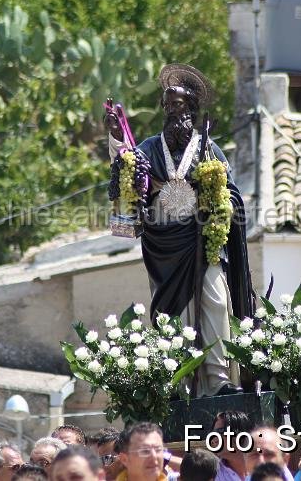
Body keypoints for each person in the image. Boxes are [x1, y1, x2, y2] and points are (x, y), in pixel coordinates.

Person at [105, 63, 255, 397]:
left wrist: (217, 204)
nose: (175, 111)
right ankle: (177, 382)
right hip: (165, 246)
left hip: (205, 242)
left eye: (181, 105)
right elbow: (125, 172)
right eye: (169, 105)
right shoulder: (150, 148)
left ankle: (217, 381)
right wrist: (116, 137)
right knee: (174, 312)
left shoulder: (208, 150)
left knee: (215, 302)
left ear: (192, 109)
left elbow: (231, 193)